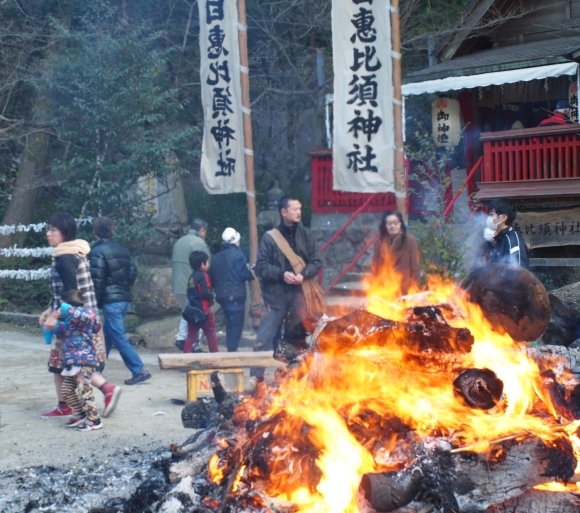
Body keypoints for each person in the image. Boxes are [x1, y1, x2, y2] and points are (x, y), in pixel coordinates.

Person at [39, 212, 121, 419]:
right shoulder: (70, 253)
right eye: (48, 229)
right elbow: (62, 292)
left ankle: (106, 389)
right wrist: (49, 309)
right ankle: (65, 405)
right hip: (80, 318)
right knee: (59, 364)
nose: (48, 234)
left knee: (76, 364)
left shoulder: (66, 257)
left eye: (53, 230)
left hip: (76, 322)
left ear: (65, 233)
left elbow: (73, 295)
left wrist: (55, 315)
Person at [254, 196, 323, 352]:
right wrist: (281, 274)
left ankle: (293, 375)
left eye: (300, 209)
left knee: (298, 337)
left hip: (300, 293)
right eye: (295, 209)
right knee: (265, 337)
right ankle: (256, 376)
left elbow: (317, 261)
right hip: (275, 295)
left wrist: (304, 274)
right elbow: (262, 266)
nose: (299, 212)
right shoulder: (269, 238)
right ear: (283, 212)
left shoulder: (306, 235)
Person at [90, 217, 151, 386]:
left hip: (111, 300)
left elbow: (97, 279)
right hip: (124, 297)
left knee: (117, 335)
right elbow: (132, 273)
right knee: (109, 334)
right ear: (112, 229)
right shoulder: (123, 250)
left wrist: (95, 301)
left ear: (96, 232)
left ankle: (139, 369)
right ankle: (96, 370)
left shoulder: (97, 251)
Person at [43, 290, 103, 431]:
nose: (61, 310)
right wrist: (52, 317)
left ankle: (94, 420)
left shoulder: (87, 315)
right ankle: (80, 414)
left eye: (62, 306)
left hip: (84, 360)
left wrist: (66, 309)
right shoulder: (70, 323)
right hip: (72, 363)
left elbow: (93, 321)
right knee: (66, 389)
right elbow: (52, 327)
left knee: (84, 390)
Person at [210, 227, 255, 352]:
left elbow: (212, 275)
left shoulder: (217, 257)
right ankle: (232, 351)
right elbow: (243, 274)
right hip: (236, 295)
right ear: (237, 241)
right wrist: (252, 272)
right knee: (236, 325)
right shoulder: (239, 255)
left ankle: (231, 350)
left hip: (222, 296)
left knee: (229, 322)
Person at [171, 219, 210, 350]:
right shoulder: (198, 242)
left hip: (178, 285)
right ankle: (193, 344)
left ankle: (181, 338)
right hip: (193, 286)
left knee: (186, 311)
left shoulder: (180, 241)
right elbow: (205, 264)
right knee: (197, 314)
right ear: (202, 230)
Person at [370, 210, 420, 296]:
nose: (392, 226)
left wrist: (414, 288)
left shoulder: (410, 240)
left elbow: (415, 267)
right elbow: (375, 266)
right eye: (389, 223)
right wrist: (375, 286)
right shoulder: (379, 242)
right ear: (385, 225)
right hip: (385, 287)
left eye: (395, 223)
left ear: (400, 224)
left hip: (404, 287)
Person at [183, 250, 219, 353]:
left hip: (192, 311)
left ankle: (185, 359)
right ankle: (215, 357)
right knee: (211, 333)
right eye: (207, 262)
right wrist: (212, 296)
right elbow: (204, 293)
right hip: (203, 311)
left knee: (191, 336)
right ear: (202, 264)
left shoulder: (191, 277)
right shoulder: (204, 276)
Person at [485, 198, 529, 268]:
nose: (488, 218)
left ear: (503, 217)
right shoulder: (498, 239)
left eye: (491, 215)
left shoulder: (512, 240)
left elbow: (519, 273)